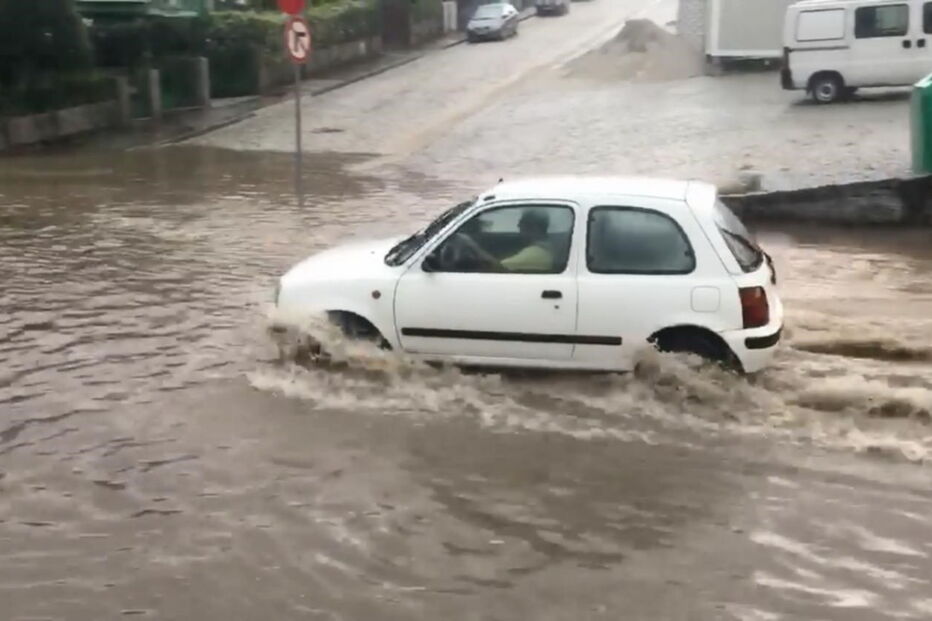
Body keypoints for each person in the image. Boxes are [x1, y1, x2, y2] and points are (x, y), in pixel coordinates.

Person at [457, 209, 554, 272]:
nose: (518, 226)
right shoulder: (543, 248)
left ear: (534, 227)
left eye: (522, 223)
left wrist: (471, 245)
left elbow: (497, 268)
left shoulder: (535, 254)